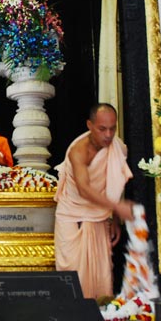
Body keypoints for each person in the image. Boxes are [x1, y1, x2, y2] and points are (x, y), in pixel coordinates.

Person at [54, 103, 135, 300]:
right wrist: (117, 207)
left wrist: (113, 217)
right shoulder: (78, 151)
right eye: (102, 129)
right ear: (90, 125)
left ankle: (101, 319)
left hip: (99, 217)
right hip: (72, 216)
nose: (108, 135)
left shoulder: (118, 148)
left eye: (112, 128)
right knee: (72, 274)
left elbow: (113, 184)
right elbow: (84, 189)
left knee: (101, 276)